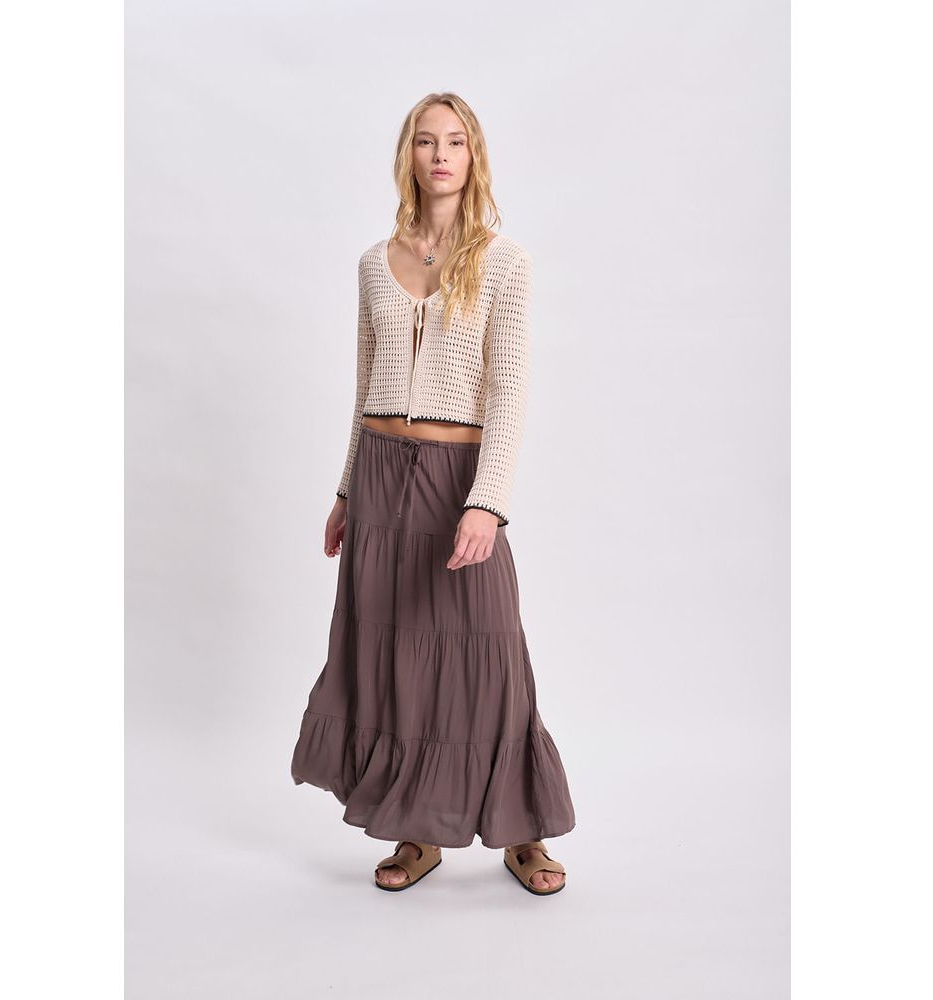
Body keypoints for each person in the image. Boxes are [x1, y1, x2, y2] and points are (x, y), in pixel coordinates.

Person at [290, 92, 576, 896]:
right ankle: (417, 830)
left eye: (454, 141)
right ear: (408, 156)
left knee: (488, 648)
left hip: (457, 477)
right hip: (380, 476)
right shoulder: (372, 263)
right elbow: (364, 387)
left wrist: (487, 501)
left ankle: (521, 828)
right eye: (425, 141)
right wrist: (346, 489)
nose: (440, 154)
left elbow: (508, 390)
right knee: (397, 656)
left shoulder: (505, 262)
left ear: (473, 155)